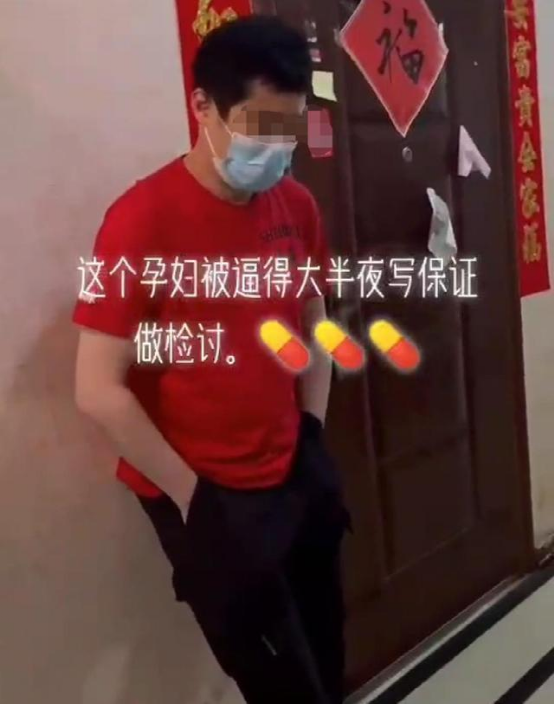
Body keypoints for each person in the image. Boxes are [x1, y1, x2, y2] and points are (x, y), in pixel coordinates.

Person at [74, 15, 350, 704]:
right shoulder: (137, 220)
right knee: (280, 683)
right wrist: (195, 499)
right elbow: (97, 389)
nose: (277, 149)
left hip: (290, 468)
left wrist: (312, 431)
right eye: (261, 127)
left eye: (289, 130)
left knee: (327, 654)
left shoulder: (296, 205)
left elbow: (313, 322)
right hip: (203, 492)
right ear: (204, 107)